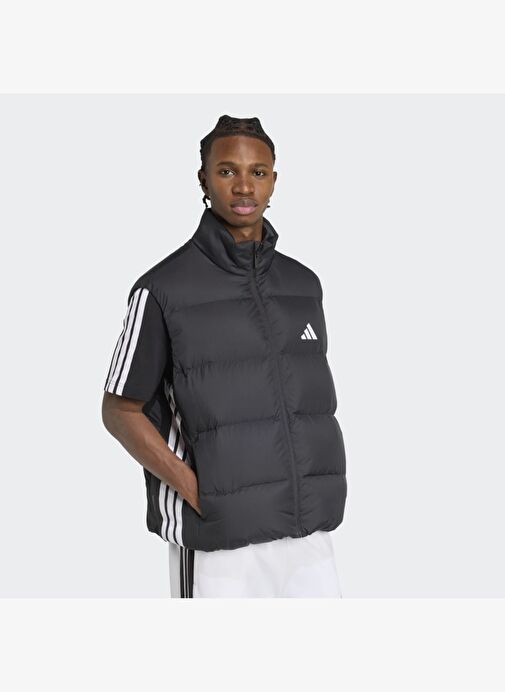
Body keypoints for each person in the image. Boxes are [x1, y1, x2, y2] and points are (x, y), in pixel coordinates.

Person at [102, 115, 347, 597]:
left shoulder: (303, 285)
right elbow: (119, 409)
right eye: (227, 170)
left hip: (310, 534)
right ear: (203, 179)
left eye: (258, 172)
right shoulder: (163, 289)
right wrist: (198, 490)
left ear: (274, 180)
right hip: (219, 542)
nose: (244, 186)